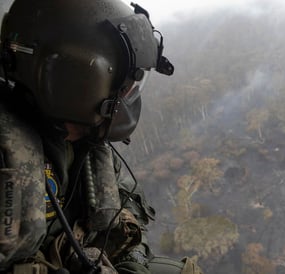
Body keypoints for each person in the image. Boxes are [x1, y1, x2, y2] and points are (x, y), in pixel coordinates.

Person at [0, 0, 203, 273]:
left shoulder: (87, 147)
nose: (128, 98)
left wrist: (133, 265)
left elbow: (124, 225)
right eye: (124, 87)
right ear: (79, 81)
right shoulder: (8, 155)